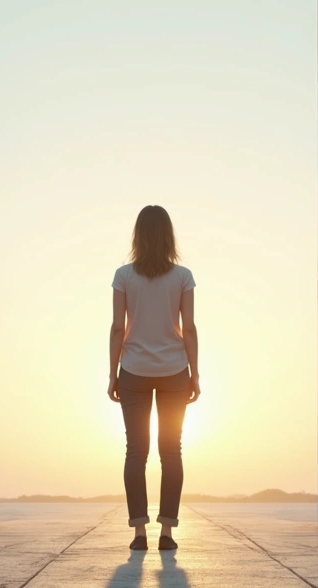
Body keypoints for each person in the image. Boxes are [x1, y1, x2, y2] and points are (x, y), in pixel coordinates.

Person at [107, 205, 200, 552]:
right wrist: (196, 374)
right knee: (171, 452)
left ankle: (138, 534)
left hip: (133, 371)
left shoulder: (123, 276)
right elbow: (187, 327)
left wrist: (112, 373)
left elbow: (119, 327)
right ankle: (168, 534)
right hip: (175, 371)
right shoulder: (183, 276)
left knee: (136, 452)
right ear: (169, 236)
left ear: (138, 236)